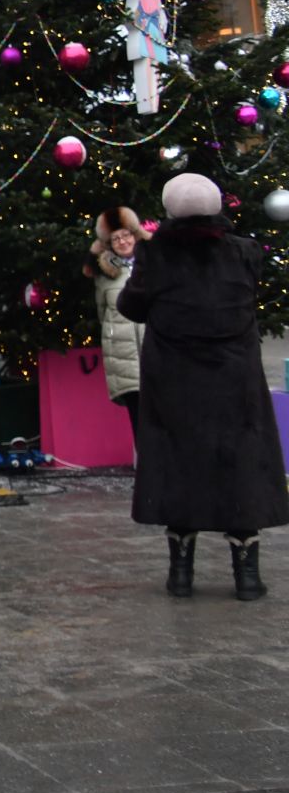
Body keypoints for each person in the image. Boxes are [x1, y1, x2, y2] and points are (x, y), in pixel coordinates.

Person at [117, 173, 288, 601]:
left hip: (174, 381)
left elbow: (132, 306)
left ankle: (180, 575)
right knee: (241, 466)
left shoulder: (154, 255)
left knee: (178, 464)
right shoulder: (245, 252)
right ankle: (247, 578)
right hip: (236, 380)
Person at [87, 207, 149, 434]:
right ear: (109, 244)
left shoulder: (152, 266)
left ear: (135, 234)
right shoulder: (105, 276)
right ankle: (146, 468)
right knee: (139, 423)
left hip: (156, 355)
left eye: (126, 235)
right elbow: (103, 314)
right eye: (116, 239)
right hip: (124, 359)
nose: (122, 242)